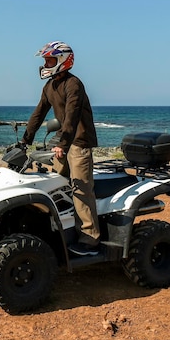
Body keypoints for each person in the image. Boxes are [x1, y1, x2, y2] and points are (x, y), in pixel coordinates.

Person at [21, 41, 101, 256]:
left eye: (49, 60)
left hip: (79, 141)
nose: (46, 64)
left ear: (63, 61)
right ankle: (63, 229)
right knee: (56, 185)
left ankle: (90, 237)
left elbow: (72, 117)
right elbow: (39, 114)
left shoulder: (73, 84)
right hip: (63, 141)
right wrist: (25, 140)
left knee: (80, 188)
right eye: (46, 60)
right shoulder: (49, 86)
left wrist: (63, 146)